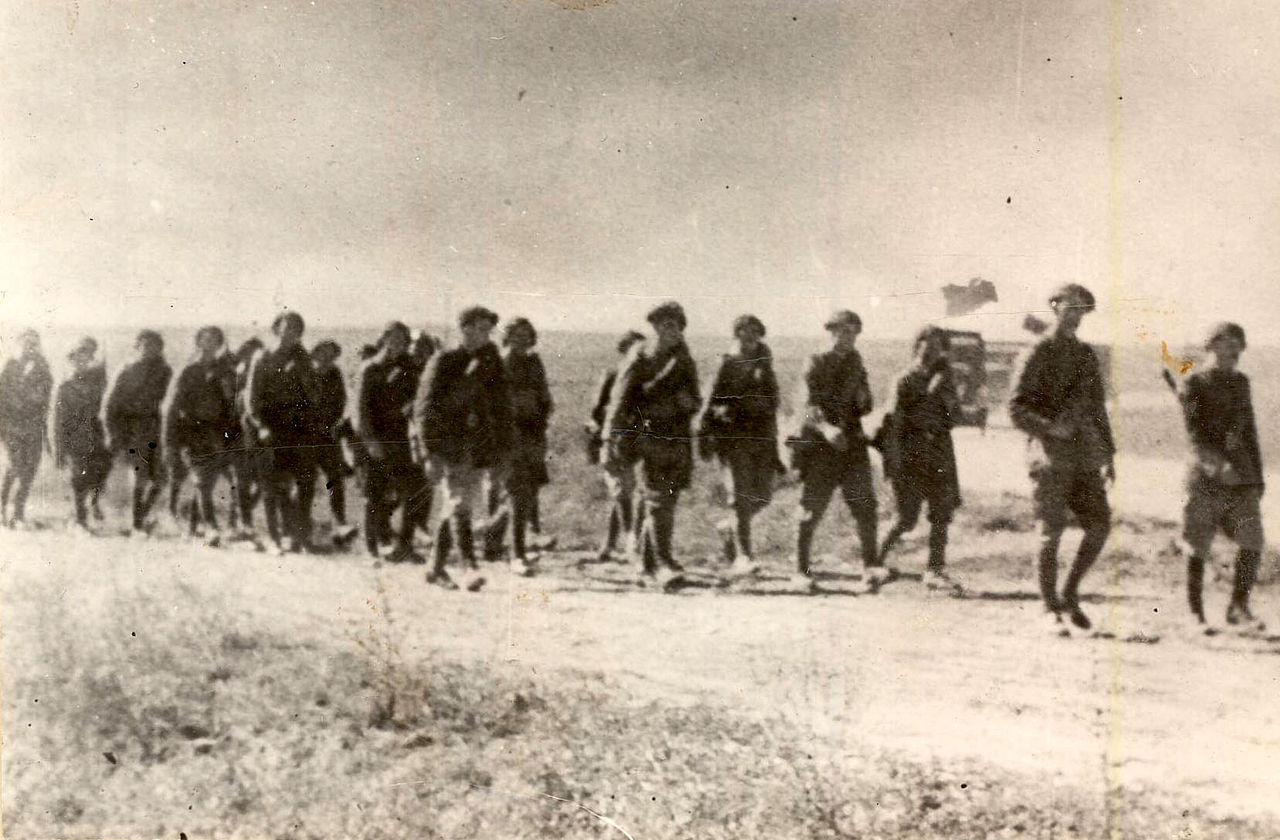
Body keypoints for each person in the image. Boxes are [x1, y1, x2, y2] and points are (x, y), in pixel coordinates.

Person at [1009, 283, 1114, 636]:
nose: (1077, 314)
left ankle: (1069, 592)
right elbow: (1015, 408)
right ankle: (1048, 606)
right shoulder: (1038, 351)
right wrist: (1050, 429)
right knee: (1050, 532)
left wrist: (1108, 453)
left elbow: (1097, 408)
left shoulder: (1085, 355)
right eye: (1071, 307)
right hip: (1050, 454)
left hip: (1084, 454)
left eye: (1083, 309)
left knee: (1099, 526)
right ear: (1055, 307)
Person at [1165, 322, 1266, 632]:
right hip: (1205, 477)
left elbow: (1249, 432)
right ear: (1211, 345)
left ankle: (1239, 606)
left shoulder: (1241, 383)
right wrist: (1217, 465)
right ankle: (1196, 614)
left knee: (1252, 541)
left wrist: (1257, 476)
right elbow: (1195, 436)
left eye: (1238, 345)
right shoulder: (1194, 383)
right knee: (1198, 543)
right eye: (1227, 344)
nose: (1234, 351)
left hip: (1242, 476)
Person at [411, 306, 510, 591]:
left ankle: (435, 567)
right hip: (449, 444)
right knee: (458, 503)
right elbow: (424, 410)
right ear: (464, 328)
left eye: (488, 330)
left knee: (457, 505)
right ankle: (468, 565)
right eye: (479, 328)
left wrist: (502, 447)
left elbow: (502, 406)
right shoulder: (444, 360)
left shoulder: (491, 362)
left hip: (477, 445)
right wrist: (429, 452)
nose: (484, 335)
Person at [786, 310, 883, 593]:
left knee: (865, 507)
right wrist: (827, 429)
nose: (848, 336)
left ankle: (869, 568)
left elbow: (864, 405)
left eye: (853, 332)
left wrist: (864, 400)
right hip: (821, 446)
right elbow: (805, 407)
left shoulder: (856, 361)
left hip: (851, 443)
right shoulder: (816, 361)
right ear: (831, 331)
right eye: (842, 331)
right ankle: (800, 571)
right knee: (810, 508)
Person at [605, 301, 700, 588]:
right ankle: (663, 563)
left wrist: (689, 403)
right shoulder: (640, 356)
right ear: (655, 327)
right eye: (664, 324)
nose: (670, 330)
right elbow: (618, 400)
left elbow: (696, 399)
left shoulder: (684, 360)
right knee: (657, 499)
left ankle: (645, 565)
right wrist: (608, 439)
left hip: (677, 437)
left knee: (665, 501)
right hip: (646, 436)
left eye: (675, 325)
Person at [874, 326, 964, 593]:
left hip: (939, 452)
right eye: (926, 343)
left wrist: (947, 398)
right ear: (917, 347)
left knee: (941, 513)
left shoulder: (945, 379)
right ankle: (873, 561)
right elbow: (892, 422)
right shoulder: (904, 380)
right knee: (906, 518)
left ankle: (935, 570)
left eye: (937, 345)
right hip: (910, 454)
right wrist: (895, 461)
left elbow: (956, 418)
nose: (931, 349)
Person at [699, 314, 781, 578]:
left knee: (763, 496)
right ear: (736, 335)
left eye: (754, 333)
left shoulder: (765, 364)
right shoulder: (727, 363)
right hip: (733, 437)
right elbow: (708, 402)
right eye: (744, 333)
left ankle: (729, 528)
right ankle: (744, 556)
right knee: (741, 497)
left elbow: (774, 402)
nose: (749, 338)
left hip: (762, 437)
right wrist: (705, 435)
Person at [354, 321, 432, 564]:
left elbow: (418, 400)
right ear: (384, 338)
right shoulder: (370, 368)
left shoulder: (409, 367)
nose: (398, 342)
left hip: (401, 438)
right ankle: (371, 549)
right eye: (393, 337)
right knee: (374, 495)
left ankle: (403, 547)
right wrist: (370, 441)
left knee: (414, 490)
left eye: (403, 339)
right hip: (374, 438)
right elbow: (359, 411)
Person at [245, 311, 318, 554]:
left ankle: (297, 536)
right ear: (276, 329)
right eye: (286, 327)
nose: (291, 333)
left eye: (296, 329)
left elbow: (313, 394)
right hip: (268, 425)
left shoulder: (303, 358)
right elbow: (251, 399)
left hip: (297, 427)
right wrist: (261, 426)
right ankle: (273, 537)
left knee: (300, 482)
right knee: (270, 485)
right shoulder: (263, 357)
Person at [485, 317, 553, 574]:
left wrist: (543, 413)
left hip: (533, 432)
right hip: (510, 434)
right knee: (517, 492)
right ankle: (518, 553)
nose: (522, 339)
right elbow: (494, 400)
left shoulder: (534, 361)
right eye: (516, 334)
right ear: (507, 336)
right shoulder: (502, 362)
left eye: (526, 334)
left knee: (528, 490)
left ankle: (491, 538)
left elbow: (543, 393)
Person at [162, 326, 237, 543]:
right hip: (190, 431)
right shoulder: (188, 370)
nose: (210, 343)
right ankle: (211, 527)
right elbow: (171, 407)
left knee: (209, 480)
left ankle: (194, 527)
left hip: (215, 432)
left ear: (219, 344)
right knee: (202, 479)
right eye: (206, 339)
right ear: (198, 342)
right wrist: (170, 443)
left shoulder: (224, 371)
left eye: (215, 339)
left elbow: (230, 404)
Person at [586, 330, 647, 563]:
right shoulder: (612, 375)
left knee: (628, 491)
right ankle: (630, 539)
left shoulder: (645, 378)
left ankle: (611, 544)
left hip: (638, 438)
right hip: (616, 437)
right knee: (622, 491)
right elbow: (597, 409)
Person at [104, 330, 173, 536]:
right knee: (139, 475)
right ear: (136, 347)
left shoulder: (164, 371)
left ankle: (141, 518)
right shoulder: (126, 370)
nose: (148, 350)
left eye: (153, 346)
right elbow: (109, 404)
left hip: (156, 428)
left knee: (161, 478)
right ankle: (136, 524)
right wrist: (112, 433)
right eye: (144, 345)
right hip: (132, 429)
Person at [54, 337, 111, 533]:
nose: (81, 362)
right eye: (77, 359)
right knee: (79, 479)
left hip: (95, 435)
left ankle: (91, 506)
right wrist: (59, 450)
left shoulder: (95, 382)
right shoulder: (65, 387)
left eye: (85, 359)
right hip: (74, 439)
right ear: (70, 361)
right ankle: (79, 521)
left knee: (101, 473)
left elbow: (103, 385)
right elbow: (58, 422)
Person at [0, 329, 53, 528]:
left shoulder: (43, 368)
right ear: (19, 345)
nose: (29, 347)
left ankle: (19, 514)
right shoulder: (10, 367)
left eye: (33, 344)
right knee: (14, 468)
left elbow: (44, 397)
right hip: (12, 427)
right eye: (26, 343)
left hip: (33, 427)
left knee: (29, 472)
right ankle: (2, 508)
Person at [311, 339, 357, 546]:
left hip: (329, 435)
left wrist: (335, 423)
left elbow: (341, 401)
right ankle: (300, 525)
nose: (327, 358)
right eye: (323, 353)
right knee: (304, 481)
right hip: (307, 435)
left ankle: (340, 524)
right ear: (316, 353)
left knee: (335, 480)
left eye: (331, 354)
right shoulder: (307, 373)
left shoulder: (335, 373)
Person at [227, 337, 265, 539]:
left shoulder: (263, 376)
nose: (251, 357)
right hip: (236, 436)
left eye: (255, 353)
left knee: (259, 483)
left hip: (258, 436)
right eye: (247, 353)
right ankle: (242, 523)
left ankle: (240, 521)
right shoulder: (236, 377)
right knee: (241, 481)